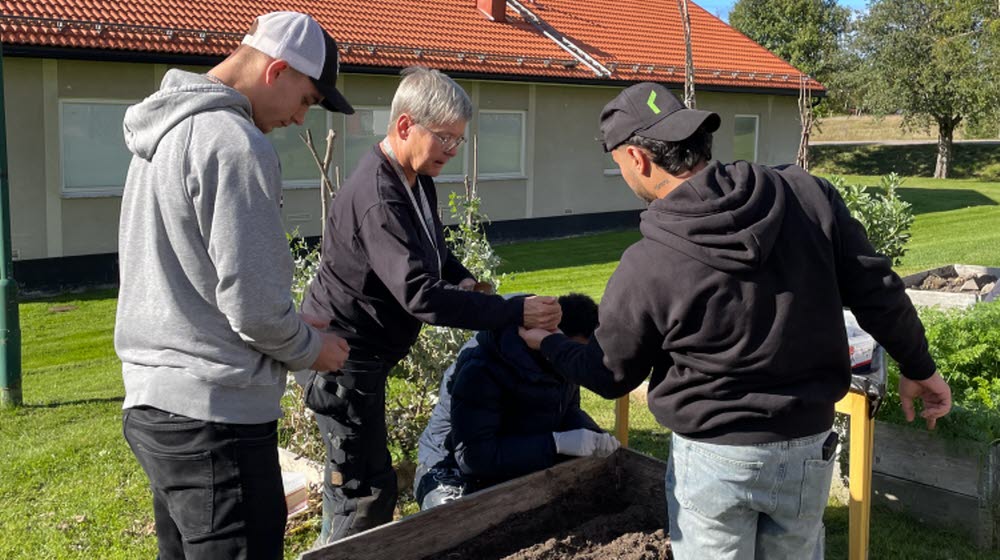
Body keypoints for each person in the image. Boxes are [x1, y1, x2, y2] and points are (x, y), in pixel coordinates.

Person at [520, 83, 952, 560]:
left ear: (638, 160)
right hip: (808, 447)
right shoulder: (808, 195)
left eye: (618, 161)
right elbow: (878, 291)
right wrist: (920, 368)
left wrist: (549, 344)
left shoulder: (649, 264)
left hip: (714, 459)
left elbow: (610, 374)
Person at [116, 12, 354, 559]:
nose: (300, 119)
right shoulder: (236, 144)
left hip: (156, 407)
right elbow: (254, 309)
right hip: (215, 420)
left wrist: (291, 322)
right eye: (308, 100)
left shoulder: (165, 131)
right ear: (278, 70)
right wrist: (312, 347)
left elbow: (192, 276)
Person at [299, 66, 562, 544]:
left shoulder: (416, 179)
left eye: (459, 141)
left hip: (365, 351)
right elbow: (420, 294)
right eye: (445, 138)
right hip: (340, 355)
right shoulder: (379, 197)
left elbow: (433, 250)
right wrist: (511, 310)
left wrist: (463, 278)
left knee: (369, 482)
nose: (452, 150)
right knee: (361, 490)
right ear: (405, 126)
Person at [413, 293, 619, 510]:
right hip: (454, 463)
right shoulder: (481, 368)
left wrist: (591, 433)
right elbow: (474, 457)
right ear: (546, 336)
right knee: (458, 519)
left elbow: (565, 410)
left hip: (515, 448)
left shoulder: (562, 359)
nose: (575, 361)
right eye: (570, 352)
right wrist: (557, 443)